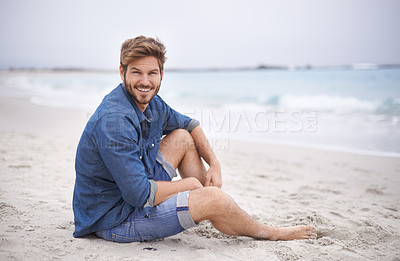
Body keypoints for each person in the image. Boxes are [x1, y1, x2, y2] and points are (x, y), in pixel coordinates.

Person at [72, 36, 317, 242]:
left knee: (182, 137)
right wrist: (189, 186)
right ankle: (269, 232)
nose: (145, 82)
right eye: (136, 72)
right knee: (213, 196)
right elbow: (140, 196)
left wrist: (214, 163)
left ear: (161, 74)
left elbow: (191, 125)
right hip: (114, 218)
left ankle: (211, 208)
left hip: (134, 194)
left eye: (152, 73)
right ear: (122, 72)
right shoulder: (114, 121)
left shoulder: (152, 103)